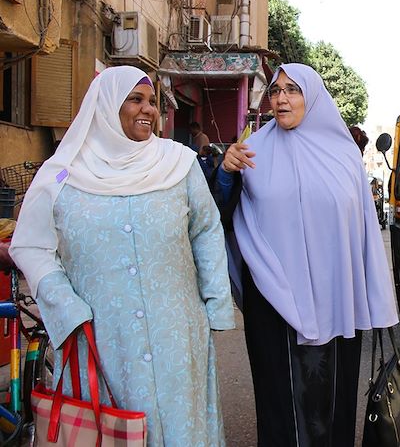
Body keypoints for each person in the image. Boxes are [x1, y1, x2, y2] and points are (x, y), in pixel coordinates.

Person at [10, 66, 235, 446]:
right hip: (100, 335)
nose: (148, 110)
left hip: (177, 335)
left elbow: (206, 230)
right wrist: (66, 306)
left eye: (152, 102)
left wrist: (215, 305)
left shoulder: (177, 164)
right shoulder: (61, 175)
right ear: (106, 105)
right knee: (113, 430)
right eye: (135, 99)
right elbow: (30, 245)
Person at [218, 63, 399, 446]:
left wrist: (373, 294)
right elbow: (219, 214)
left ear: (313, 96)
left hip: (333, 297)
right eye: (275, 90)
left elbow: (363, 229)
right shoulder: (251, 151)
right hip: (272, 299)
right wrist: (224, 173)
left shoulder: (344, 156)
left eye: (293, 89)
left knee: (331, 397)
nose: (281, 98)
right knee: (278, 400)